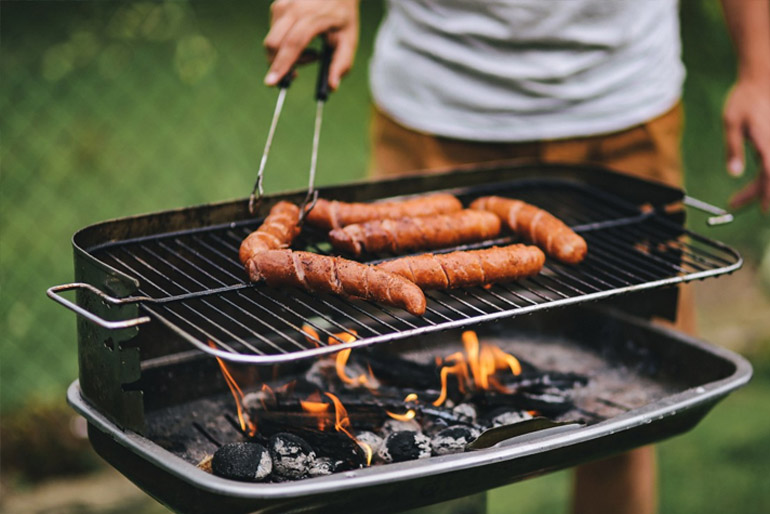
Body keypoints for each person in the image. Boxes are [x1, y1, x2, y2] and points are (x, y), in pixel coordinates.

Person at [263, 1, 770, 513]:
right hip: (436, 101)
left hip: (622, 103)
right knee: (404, 434)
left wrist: (759, 71)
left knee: (626, 411)